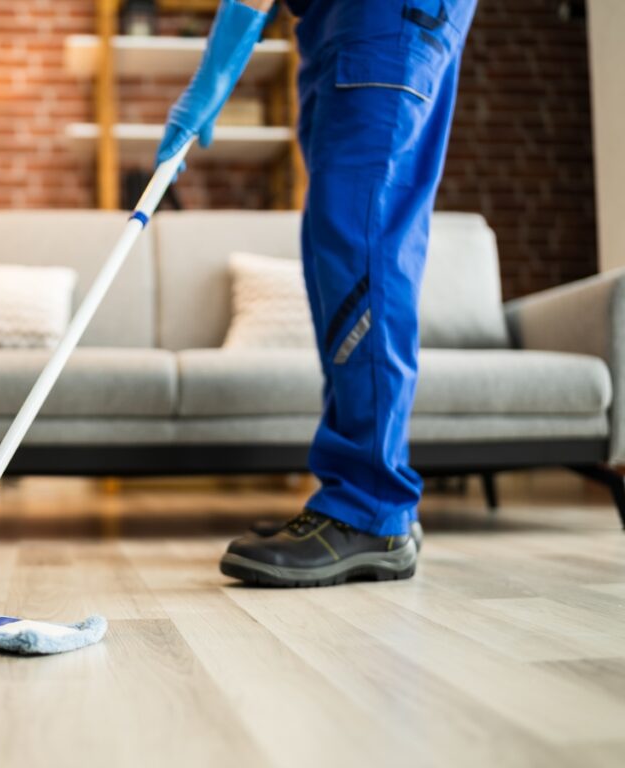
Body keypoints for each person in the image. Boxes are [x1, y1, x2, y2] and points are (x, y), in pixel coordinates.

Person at [156, 0, 476, 587]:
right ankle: (376, 499)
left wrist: (216, 71)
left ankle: (368, 508)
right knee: (342, 247)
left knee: (360, 245)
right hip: (341, 22)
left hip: (380, 15)